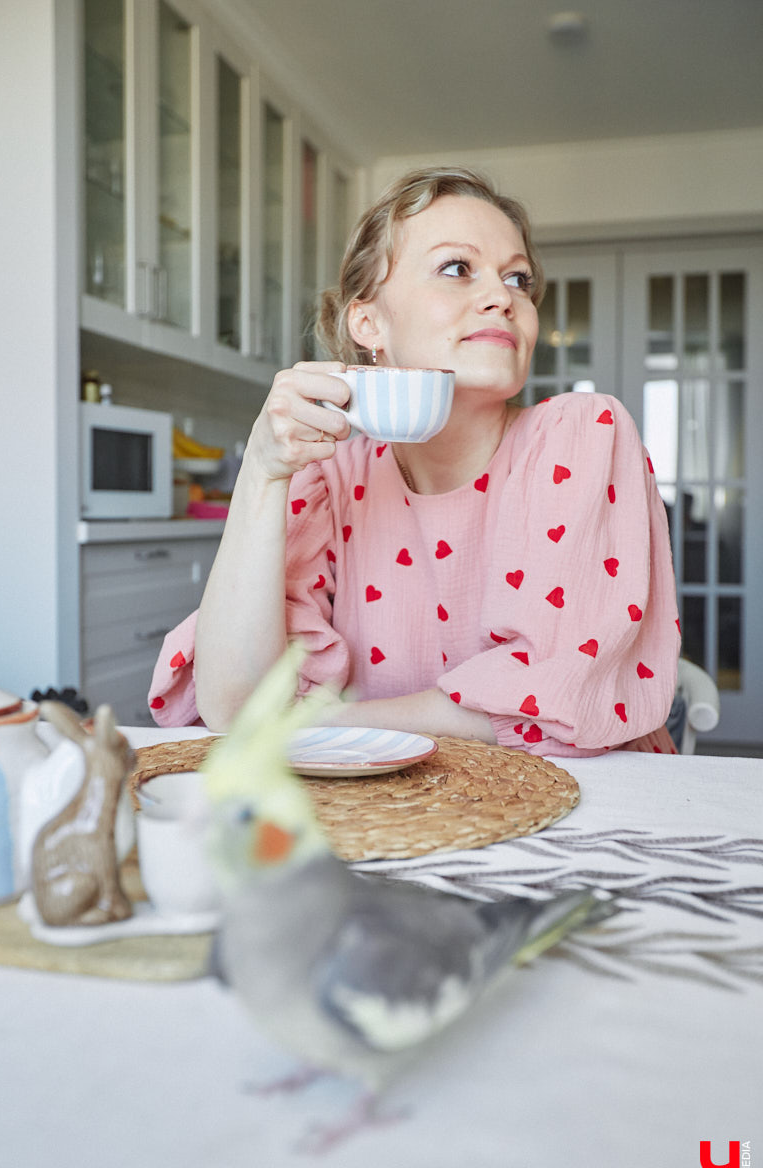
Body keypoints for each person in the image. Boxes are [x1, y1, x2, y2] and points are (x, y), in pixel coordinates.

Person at [149, 167, 680, 756]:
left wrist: (322, 723)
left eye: (518, 278)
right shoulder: (330, 475)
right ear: (368, 321)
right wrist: (264, 472)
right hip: (395, 815)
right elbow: (235, 707)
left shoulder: (581, 436)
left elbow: (552, 696)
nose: (502, 297)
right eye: (458, 268)